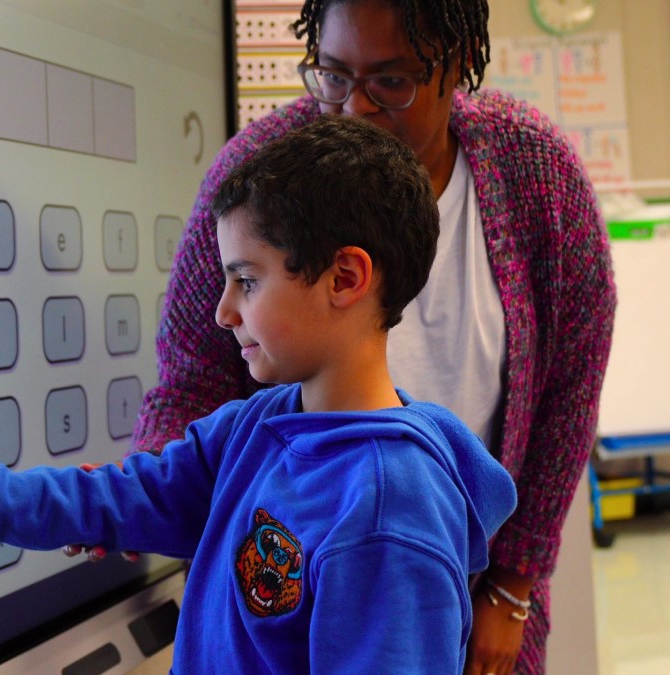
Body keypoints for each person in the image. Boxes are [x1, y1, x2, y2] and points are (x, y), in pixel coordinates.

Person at [0, 115, 518, 673]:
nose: (222, 310)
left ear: (344, 278)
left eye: (247, 280)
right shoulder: (254, 428)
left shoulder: (389, 511)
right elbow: (112, 498)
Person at [114, 1, 616, 673]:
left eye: (392, 81)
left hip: (471, 579)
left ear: (458, 65)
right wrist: (150, 474)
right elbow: (192, 380)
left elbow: (571, 393)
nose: (356, 108)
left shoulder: (536, 175)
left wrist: (513, 584)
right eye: (333, 74)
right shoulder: (265, 173)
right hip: (292, 586)